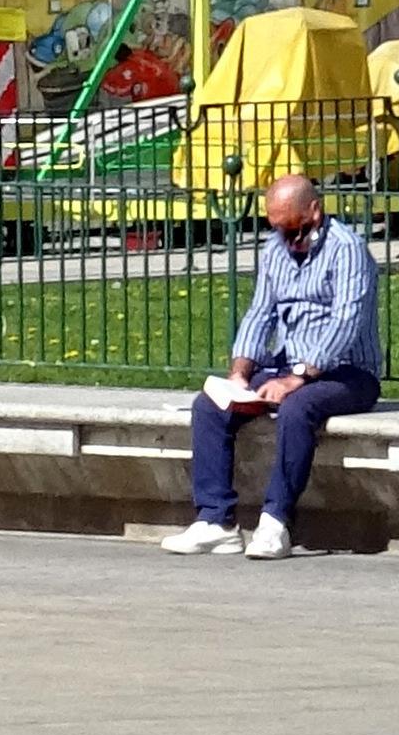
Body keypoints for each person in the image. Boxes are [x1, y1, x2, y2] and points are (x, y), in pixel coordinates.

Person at [162, 172, 379, 560]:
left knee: (298, 409)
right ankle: (216, 521)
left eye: (292, 227)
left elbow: (347, 321)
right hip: (288, 366)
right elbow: (260, 313)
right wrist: (240, 372)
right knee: (211, 406)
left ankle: (275, 520)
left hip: (346, 371)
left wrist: (300, 377)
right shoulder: (275, 249)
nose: (286, 237)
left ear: (314, 211)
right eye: (277, 228)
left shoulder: (347, 249)